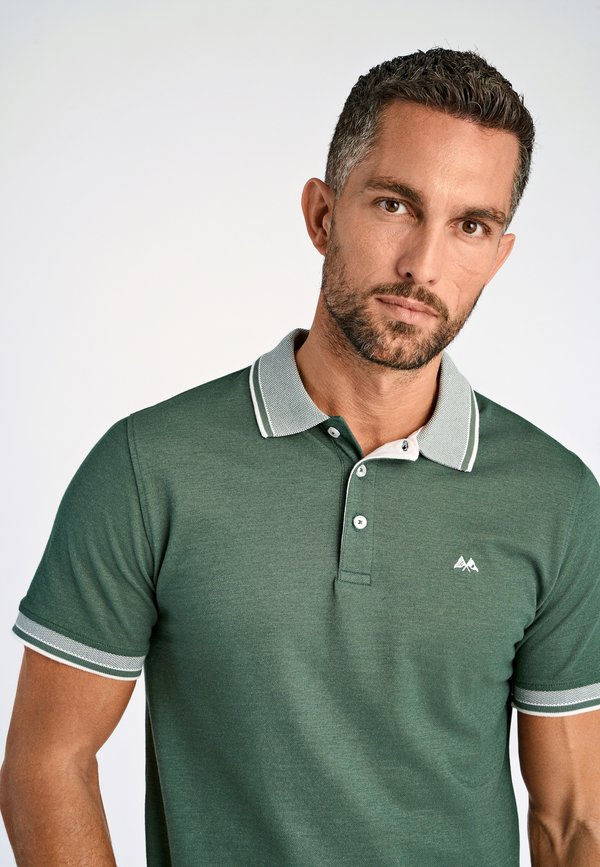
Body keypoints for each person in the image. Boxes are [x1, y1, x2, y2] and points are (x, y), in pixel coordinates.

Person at [1, 47, 599, 867]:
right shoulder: (148, 468)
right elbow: (46, 763)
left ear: (498, 254)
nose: (423, 265)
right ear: (322, 214)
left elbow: (573, 820)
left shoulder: (556, 500)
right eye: (395, 204)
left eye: (471, 226)